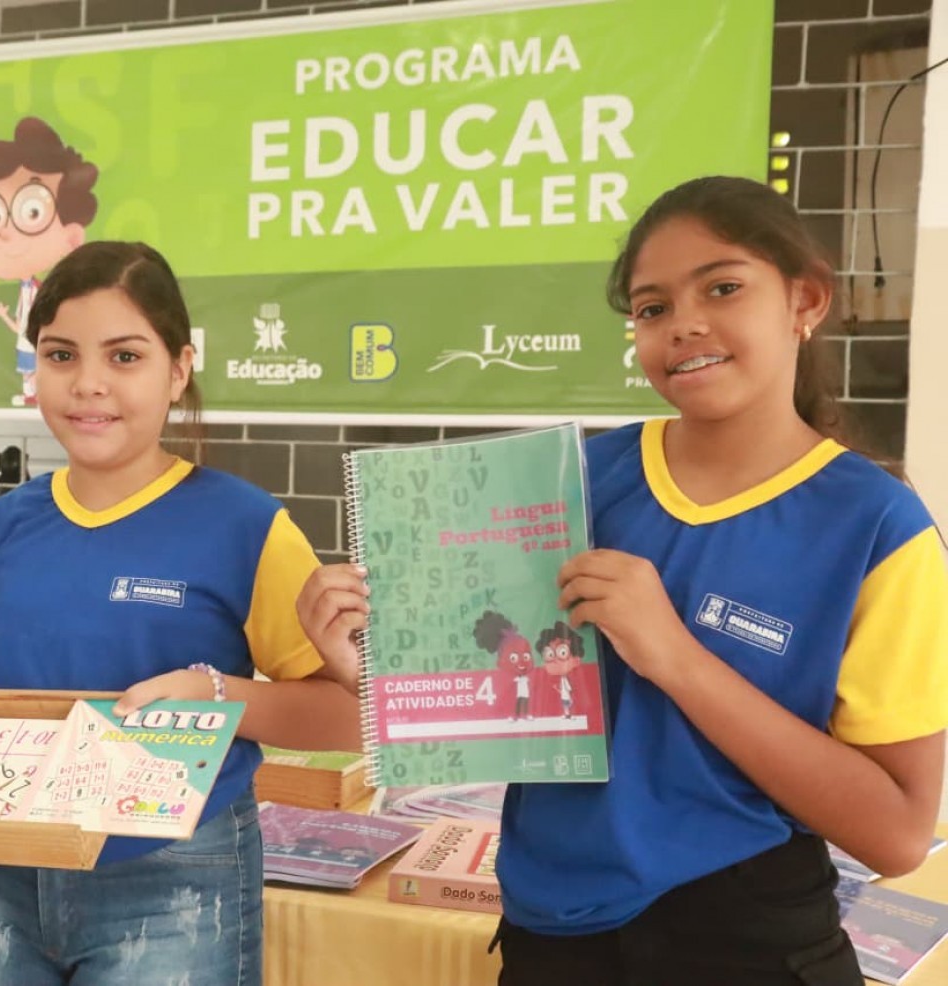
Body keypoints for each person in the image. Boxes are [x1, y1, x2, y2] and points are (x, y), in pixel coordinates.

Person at [296, 176, 948, 985]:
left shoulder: (876, 526)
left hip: (745, 939)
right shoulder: (569, 483)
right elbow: (496, 707)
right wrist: (366, 672)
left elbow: (896, 834)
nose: (685, 324)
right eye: (652, 308)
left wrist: (674, 655)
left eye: (723, 287)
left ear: (804, 300)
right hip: (553, 935)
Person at [0, 240, 361, 986]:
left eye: (125, 357)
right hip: (4, 878)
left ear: (179, 368)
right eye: (61, 355)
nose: (89, 384)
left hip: (175, 882)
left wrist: (215, 695)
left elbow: (349, 717)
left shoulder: (247, 527)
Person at [0, 117, 98, 407]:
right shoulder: (26, 290)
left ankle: (36, 391)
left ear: (72, 236)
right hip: (26, 341)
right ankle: (30, 392)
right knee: (28, 365)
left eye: (32, 212)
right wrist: (5, 316)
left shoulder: (53, 295)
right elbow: (21, 323)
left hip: (39, 346)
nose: (6, 233)